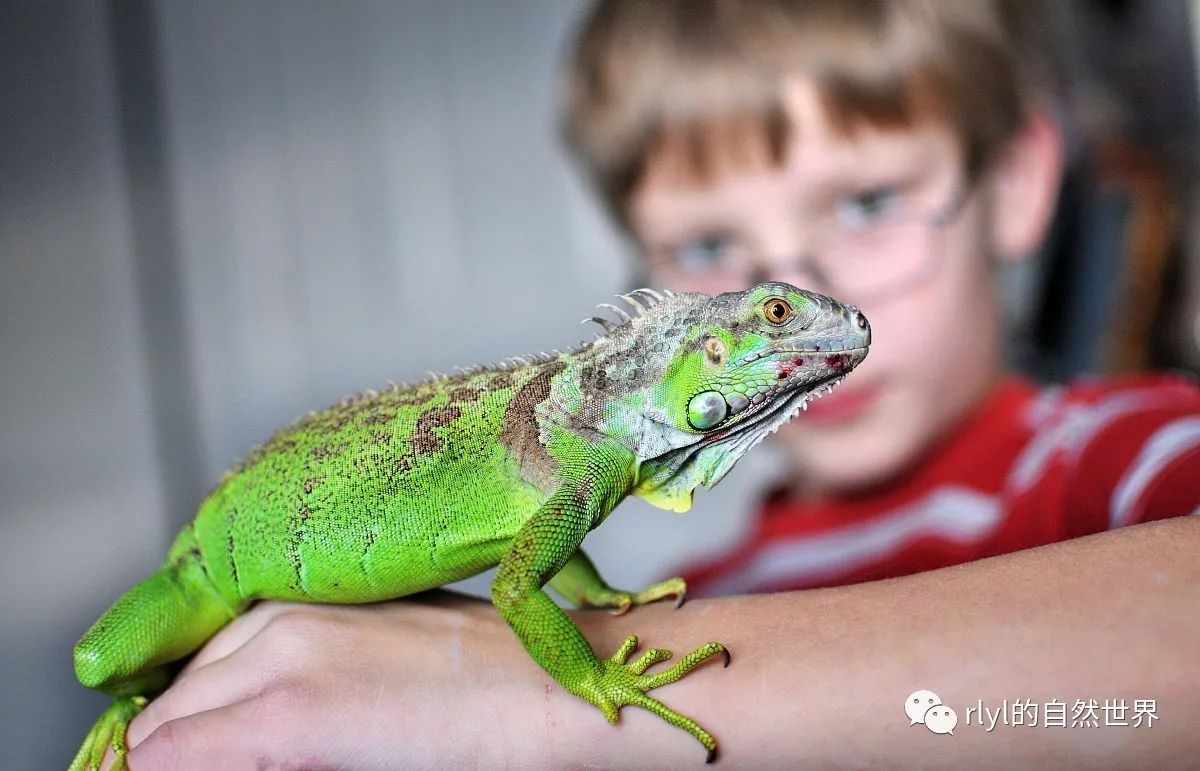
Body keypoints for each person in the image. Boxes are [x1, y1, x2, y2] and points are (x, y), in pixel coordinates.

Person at [103, 1, 1200, 768]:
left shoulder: (1112, 453)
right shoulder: (718, 581)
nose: (809, 282)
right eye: (713, 250)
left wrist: (545, 708)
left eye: (865, 204)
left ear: (1015, 186)